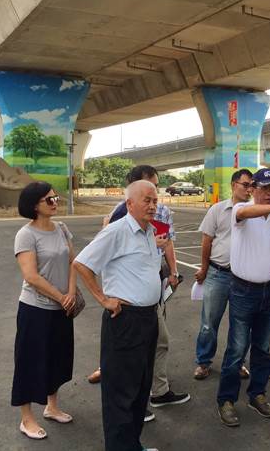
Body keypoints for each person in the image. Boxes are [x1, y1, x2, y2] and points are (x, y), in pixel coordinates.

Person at [88, 165, 188, 420]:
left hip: (151, 297)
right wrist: (104, 299)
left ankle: (153, 394)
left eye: (156, 192)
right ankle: (135, 404)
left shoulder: (156, 218)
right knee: (133, 359)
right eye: (149, 192)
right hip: (129, 308)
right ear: (132, 195)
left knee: (154, 346)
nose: (154, 199)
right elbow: (86, 262)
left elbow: (166, 244)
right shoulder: (120, 219)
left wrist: (173, 271)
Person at [74, 180, 161, 451]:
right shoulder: (117, 231)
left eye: (155, 200)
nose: (153, 206)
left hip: (148, 319)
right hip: (125, 320)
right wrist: (103, 299)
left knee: (140, 388)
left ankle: (132, 445)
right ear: (129, 204)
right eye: (147, 200)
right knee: (121, 393)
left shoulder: (148, 231)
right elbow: (82, 263)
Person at [216, 168, 270, 427]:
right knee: (237, 348)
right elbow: (244, 213)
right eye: (265, 188)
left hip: (269, 291)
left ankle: (257, 394)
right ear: (252, 189)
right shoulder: (242, 210)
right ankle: (226, 400)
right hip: (243, 291)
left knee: (263, 348)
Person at [12, 182, 76, 440]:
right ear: (34, 205)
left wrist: (71, 293)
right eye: (49, 200)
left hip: (63, 306)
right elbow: (31, 276)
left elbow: (73, 262)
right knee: (29, 362)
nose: (55, 202)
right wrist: (61, 297)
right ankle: (26, 419)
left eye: (55, 198)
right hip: (35, 309)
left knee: (57, 358)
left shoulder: (61, 228)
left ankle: (52, 406)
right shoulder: (26, 235)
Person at [193, 169, 253, 380]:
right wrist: (204, 268)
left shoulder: (255, 213)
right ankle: (203, 362)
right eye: (245, 184)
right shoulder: (217, 210)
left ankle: (236, 363)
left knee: (241, 325)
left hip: (244, 278)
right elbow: (207, 241)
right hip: (218, 274)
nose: (249, 189)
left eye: (252, 186)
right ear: (233, 185)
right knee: (209, 323)